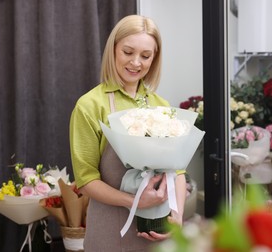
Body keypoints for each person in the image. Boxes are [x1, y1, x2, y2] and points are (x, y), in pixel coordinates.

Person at [69, 15, 187, 251]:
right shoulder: (91, 105)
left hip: (158, 234)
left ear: (154, 59)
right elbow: (86, 180)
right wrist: (135, 202)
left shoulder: (161, 105)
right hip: (109, 232)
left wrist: (177, 216)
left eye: (145, 56)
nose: (136, 62)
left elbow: (178, 172)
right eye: (128, 52)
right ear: (113, 50)